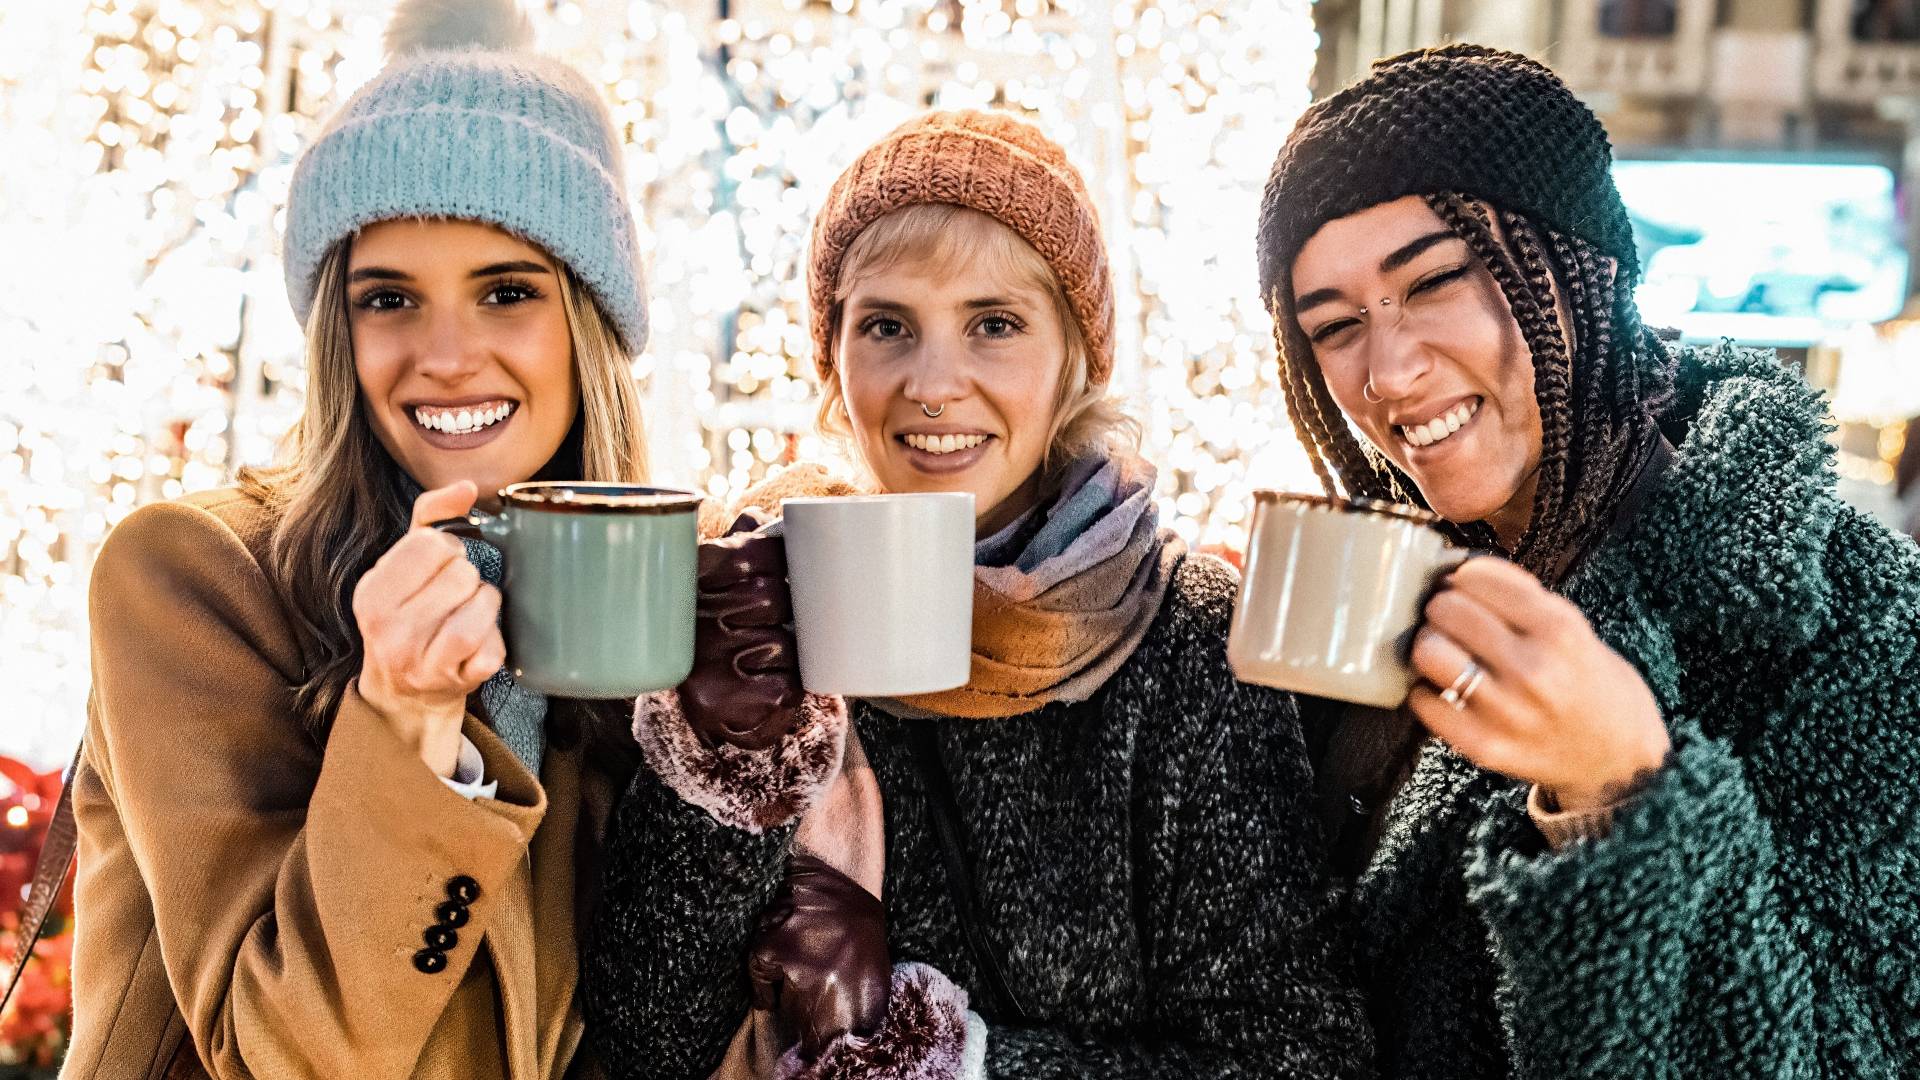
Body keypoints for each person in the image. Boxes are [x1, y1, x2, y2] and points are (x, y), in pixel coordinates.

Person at [584, 110, 1373, 1079]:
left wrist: (951, 1058)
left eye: (994, 324)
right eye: (886, 327)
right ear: (834, 361)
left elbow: (1298, 1055)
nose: (934, 383)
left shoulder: (1183, 633)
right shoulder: (754, 599)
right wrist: (725, 766)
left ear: (1076, 356)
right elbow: (641, 1047)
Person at [1256, 44, 1920, 1079]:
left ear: (1586, 267)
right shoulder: (1387, 578)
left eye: (1433, 280)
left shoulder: (1860, 625)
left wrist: (1617, 802)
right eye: (1334, 327)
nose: (1388, 371)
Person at [64, 1, 653, 1075]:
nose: (444, 356)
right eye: (389, 299)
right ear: (341, 331)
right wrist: (407, 720)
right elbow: (286, 1054)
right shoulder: (190, 578)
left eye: (508, 292)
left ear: (591, 326)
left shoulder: (640, 600)